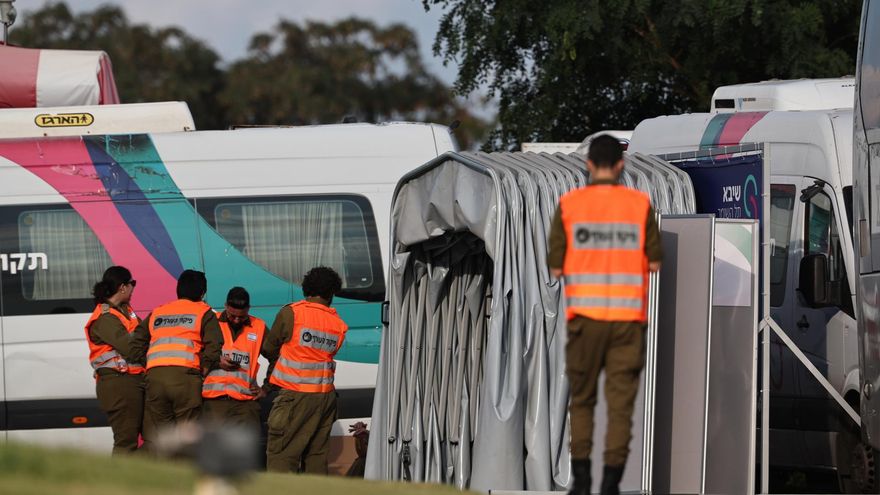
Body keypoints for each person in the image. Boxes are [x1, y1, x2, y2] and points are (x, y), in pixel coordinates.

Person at [548, 135, 662, 495]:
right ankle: (611, 482)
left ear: (588, 165)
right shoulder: (639, 205)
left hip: (585, 320)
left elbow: (555, 268)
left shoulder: (570, 205)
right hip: (627, 323)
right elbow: (655, 263)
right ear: (620, 165)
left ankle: (582, 480)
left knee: (582, 400)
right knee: (620, 405)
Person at [263, 266, 348, 474]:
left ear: (306, 288)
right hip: (325, 398)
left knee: (282, 456)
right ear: (331, 293)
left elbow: (268, 348)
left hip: (295, 396)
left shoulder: (292, 313)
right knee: (316, 458)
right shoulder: (338, 323)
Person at [131, 269, 224, 448]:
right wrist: (203, 369)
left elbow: (136, 344)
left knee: (164, 435)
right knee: (187, 434)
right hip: (185, 378)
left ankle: (167, 465)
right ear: (202, 293)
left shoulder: (158, 312)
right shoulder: (204, 312)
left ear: (178, 289)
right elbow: (214, 346)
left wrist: (149, 365)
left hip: (155, 378)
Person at [84, 266, 145, 455]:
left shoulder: (125, 311)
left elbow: (142, 335)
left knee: (153, 438)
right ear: (122, 287)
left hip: (134, 382)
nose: (133, 288)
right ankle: (120, 474)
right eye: (132, 283)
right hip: (119, 384)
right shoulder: (105, 318)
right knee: (126, 442)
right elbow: (132, 349)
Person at [201, 287, 268, 427]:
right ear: (225, 306)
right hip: (214, 403)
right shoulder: (212, 322)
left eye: (242, 317)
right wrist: (217, 362)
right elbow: (194, 354)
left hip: (245, 404)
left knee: (246, 442)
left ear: (248, 309)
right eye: (232, 316)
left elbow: (279, 357)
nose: (237, 320)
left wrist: (266, 388)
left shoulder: (259, 327)